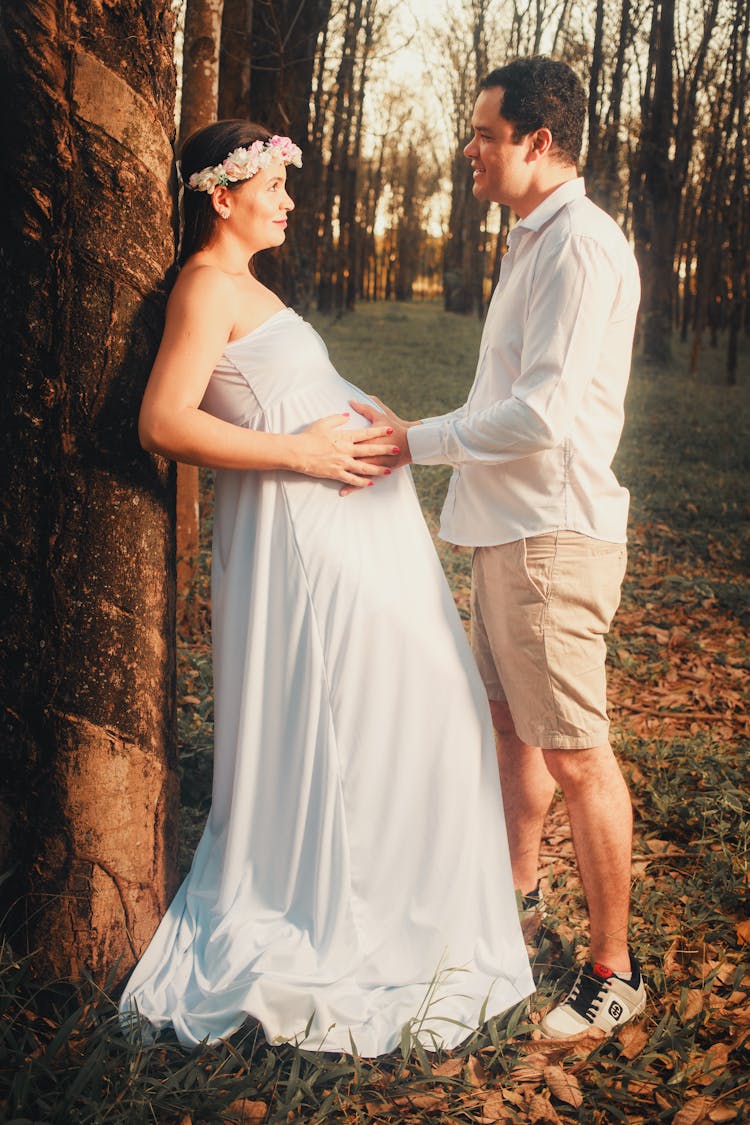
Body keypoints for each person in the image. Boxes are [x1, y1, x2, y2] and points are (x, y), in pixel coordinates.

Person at [118, 119, 534, 1056]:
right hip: (310, 545)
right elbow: (163, 421)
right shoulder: (203, 287)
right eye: (272, 183)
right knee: (394, 715)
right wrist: (302, 451)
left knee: (440, 710)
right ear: (219, 196)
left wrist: (386, 430)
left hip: (358, 532)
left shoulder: (249, 287)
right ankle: (350, 910)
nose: (289, 199)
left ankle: (409, 906)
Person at [353, 57, 646, 1039]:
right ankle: (512, 915)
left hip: (552, 538)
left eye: (484, 133)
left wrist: (414, 443)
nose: (469, 150)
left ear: (539, 141)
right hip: (507, 533)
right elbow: (510, 397)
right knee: (510, 734)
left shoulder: (580, 247)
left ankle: (614, 970)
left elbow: (544, 416)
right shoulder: (534, 238)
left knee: (576, 756)